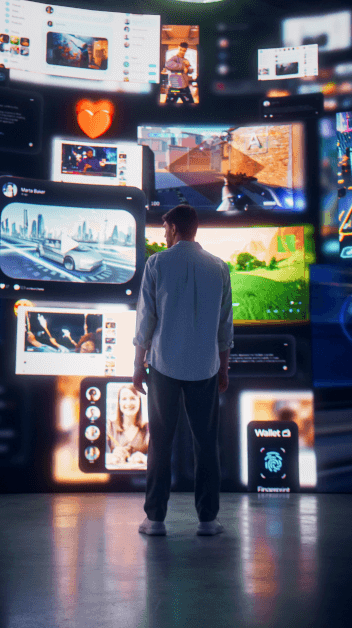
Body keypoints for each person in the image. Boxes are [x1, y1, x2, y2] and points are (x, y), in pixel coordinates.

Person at [133, 204, 233, 537]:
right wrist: (224, 368)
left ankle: (155, 519)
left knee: (160, 443)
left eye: (164, 228)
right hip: (205, 366)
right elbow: (225, 326)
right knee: (206, 444)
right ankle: (208, 520)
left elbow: (146, 320)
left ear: (174, 227)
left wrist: (137, 366)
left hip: (163, 365)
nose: (163, 234)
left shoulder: (157, 263)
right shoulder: (219, 267)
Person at [106, 384, 148, 467]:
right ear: (119, 402)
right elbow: (98, 456)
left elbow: (159, 458)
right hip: (114, 477)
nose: (128, 403)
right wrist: (111, 457)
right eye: (124, 399)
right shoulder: (109, 426)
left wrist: (144, 458)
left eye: (133, 398)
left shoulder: (148, 428)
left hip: (141, 478)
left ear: (139, 401)